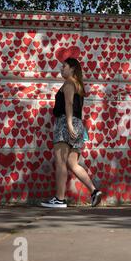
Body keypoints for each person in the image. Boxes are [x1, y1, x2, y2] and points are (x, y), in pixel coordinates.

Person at [41, 58, 102, 208]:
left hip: (66, 123)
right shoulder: (78, 85)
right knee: (72, 164)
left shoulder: (69, 83)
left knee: (61, 162)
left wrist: (68, 124)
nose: (61, 69)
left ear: (73, 68)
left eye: (64, 66)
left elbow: (68, 104)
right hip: (77, 124)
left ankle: (59, 199)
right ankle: (94, 191)